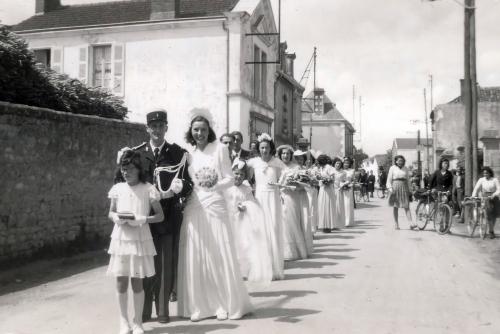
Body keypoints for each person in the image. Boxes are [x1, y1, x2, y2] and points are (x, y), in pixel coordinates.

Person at [177, 113, 253, 321]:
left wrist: (214, 184)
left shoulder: (220, 149)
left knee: (218, 253)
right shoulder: (188, 154)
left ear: (209, 130)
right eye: (195, 129)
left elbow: (229, 178)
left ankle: (223, 304)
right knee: (197, 254)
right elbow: (186, 182)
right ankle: (200, 306)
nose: (199, 133)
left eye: (203, 129)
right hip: (194, 205)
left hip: (215, 204)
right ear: (191, 132)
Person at [121, 109, 192, 324]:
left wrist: (179, 187)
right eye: (153, 126)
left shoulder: (178, 153)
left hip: (168, 217)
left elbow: (189, 183)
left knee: (163, 264)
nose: (157, 130)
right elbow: (122, 179)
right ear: (147, 129)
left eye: (161, 126)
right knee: (142, 265)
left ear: (166, 128)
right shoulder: (136, 153)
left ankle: (162, 310)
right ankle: (143, 312)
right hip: (142, 218)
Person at [107, 150, 165, 334]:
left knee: (137, 282)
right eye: (124, 168)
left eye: (131, 168)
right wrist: (116, 217)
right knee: (121, 281)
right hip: (121, 238)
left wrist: (141, 219)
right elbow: (111, 212)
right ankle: (124, 322)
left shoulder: (148, 189)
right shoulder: (118, 188)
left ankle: (138, 322)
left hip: (139, 238)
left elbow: (160, 216)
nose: (127, 172)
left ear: (139, 169)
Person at [224, 159, 273, 283]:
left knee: (243, 244)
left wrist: (245, 205)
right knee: (230, 243)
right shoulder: (226, 187)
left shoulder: (246, 189)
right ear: (232, 173)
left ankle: (243, 270)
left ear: (244, 176)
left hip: (242, 220)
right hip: (229, 218)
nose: (239, 177)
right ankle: (230, 269)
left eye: (241, 175)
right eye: (236, 174)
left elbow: (252, 202)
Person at [247, 134, 286, 280]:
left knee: (273, 229)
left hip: (273, 198)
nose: (264, 150)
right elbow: (245, 176)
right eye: (262, 148)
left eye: (267, 148)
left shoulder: (277, 163)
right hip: (259, 197)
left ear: (271, 149)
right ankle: (261, 267)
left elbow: (285, 177)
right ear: (258, 149)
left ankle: (274, 268)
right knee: (261, 230)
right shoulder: (253, 162)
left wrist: (279, 185)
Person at [277, 145, 308, 261]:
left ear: (291, 156)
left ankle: (295, 251)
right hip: (278, 196)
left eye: (288, 154)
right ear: (280, 155)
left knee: (292, 221)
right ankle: (282, 251)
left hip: (292, 196)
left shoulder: (296, 168)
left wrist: (294, 186)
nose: (285, 155)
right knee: (281, 223)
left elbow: (303, 185)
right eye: (283, 153)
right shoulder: (276, 166)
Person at [386, 155, 418, 230]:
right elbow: (389, 180)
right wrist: (390, 189)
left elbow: (408, 180)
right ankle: (396, 224)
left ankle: (411, 223)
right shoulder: (392, 168)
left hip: (404, 187)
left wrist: (410, 190)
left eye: (402, 161)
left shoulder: (405, 168)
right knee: (395, 206)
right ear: (396, 161)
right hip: (395, 187)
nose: (401, 162)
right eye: (399, 160)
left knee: (406, 206)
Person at [293, 149, 314, 254]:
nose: (299, 160)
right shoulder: (292, 169)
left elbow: (310, 184)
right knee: (295, 219)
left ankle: (305, 246)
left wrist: (306, 182)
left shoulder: (306, 170)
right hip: (293, 195)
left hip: (303, 195)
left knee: (304, 217)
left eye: (301, 158)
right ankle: (296, 246)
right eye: (297, 158)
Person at [471, 166, 500, 239]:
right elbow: (476, 188)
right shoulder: (481, 180)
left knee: (494, 215)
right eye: (484, 173)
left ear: (490, 173)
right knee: (489, 214)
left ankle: (491, 229)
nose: (485, 175)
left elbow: (499, 189)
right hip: (485, 197)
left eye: (486, 173)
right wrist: (473, 195)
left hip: (494, 197)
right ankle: (491, 231)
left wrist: (494, 194)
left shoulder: (495, 180)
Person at [316, 154, 336, 233]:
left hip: (328, 189)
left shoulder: (329, 167)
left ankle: (328, 226)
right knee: (322, 206)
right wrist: (319, 178)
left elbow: (332, 178)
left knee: (328, 206)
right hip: (322, 189)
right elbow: (321, 177)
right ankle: (323, 225)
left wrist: (327, 181)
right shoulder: (321, 168)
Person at [332, 158, 347, 230]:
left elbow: (345, 181)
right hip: (331, 190)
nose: (338, 165)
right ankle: (332, 224)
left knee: (339, 207)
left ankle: (338, 224)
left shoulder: (343, 172)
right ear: (334, 164)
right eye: (337, 163)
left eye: (339, 164)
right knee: (332, 207)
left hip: (339, 190)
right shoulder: (331, 171)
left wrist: (343, 185)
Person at [343, 157, 355, 227]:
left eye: (347, 163)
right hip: (341, 189)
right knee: (341, 204)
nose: (346, 164)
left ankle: (348, 221)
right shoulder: (341, 170)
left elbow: (353, 180)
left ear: (350, 163)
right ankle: (341, 221)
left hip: (348, 189)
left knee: (347, 205)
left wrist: (351, 184)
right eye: (345, 163)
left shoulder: (352, 171)